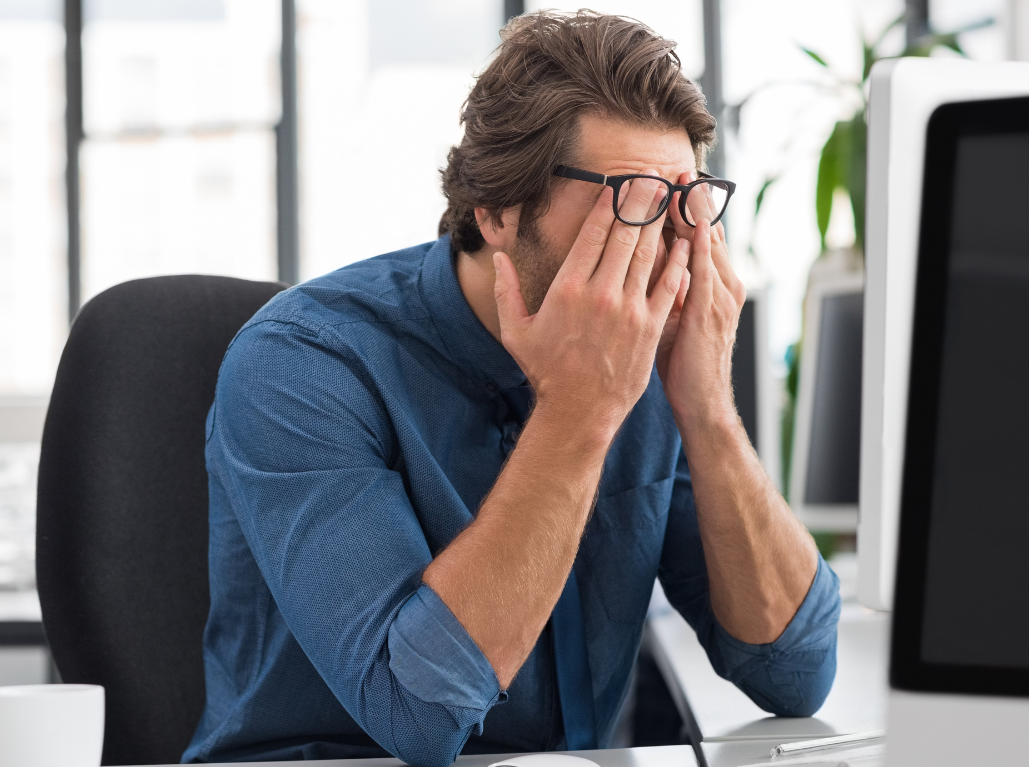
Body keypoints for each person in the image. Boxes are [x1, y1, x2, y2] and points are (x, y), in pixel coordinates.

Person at [183, 11, 840, 766]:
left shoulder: (655, 359)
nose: (663, 250)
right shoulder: (301, 364)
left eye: (684, 205)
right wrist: (579, 411)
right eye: (631, 200)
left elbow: (795, 672)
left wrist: (708, 410)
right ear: (497, 210)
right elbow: (418, 716)